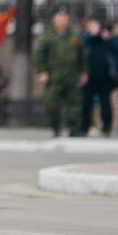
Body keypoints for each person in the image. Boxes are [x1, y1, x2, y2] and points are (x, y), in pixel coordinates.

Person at [35, 7, 85, 137]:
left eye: (66, 17)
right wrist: (42, 71)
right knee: (51, 103)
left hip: (71, 76)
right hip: (53, 77)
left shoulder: (74, 36)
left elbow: (82, 56)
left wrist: (83, 71)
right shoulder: (47, 36)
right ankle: (55, 126)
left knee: (74, 103)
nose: (64, 20)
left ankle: (73, 127)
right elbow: (39, 55)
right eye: (61, 17)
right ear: (54, 19)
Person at [80, 18, 117, 135]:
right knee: (86, 104)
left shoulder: (105, 40)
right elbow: (81, 44)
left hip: (104, 77)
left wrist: (107, 37)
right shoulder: (86, 40)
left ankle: (107, 127)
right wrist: (90, 34)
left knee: (105, 103)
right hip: (89, 78)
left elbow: (117, 47)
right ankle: (85, 126)